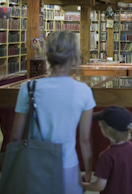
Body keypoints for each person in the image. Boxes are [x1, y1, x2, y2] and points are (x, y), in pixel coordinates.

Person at [10, 30, 95, 194]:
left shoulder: (28, 89)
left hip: (34, 165)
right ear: (74, 57)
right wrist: (89, 171)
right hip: (67, 165)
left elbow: (15, 136)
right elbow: (84, 139)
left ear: (47, 55)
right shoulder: (83, 91)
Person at [83, 106, 132, 194]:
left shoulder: (106, 156)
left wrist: (81, 185)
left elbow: (99, 186)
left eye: (101, 126)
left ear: (107, 131)